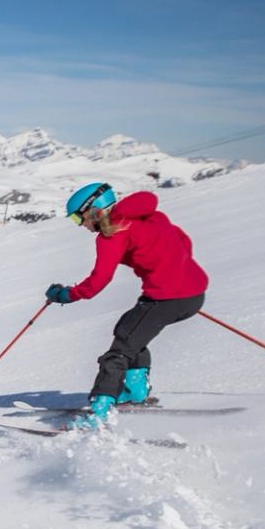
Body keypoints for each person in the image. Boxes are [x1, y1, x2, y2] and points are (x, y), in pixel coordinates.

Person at [46, 182, 209, 428]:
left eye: (79, 218)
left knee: (119, 351)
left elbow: (99, 281)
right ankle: (135, 391)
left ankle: (100, 412)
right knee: (128, 330)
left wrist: (66, 295)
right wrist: (174, 272)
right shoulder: (153, 216)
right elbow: (183, 241)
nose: (81, 226)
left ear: (95, 211)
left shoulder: (112, 234)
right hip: (193, 294)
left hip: (166, 297)